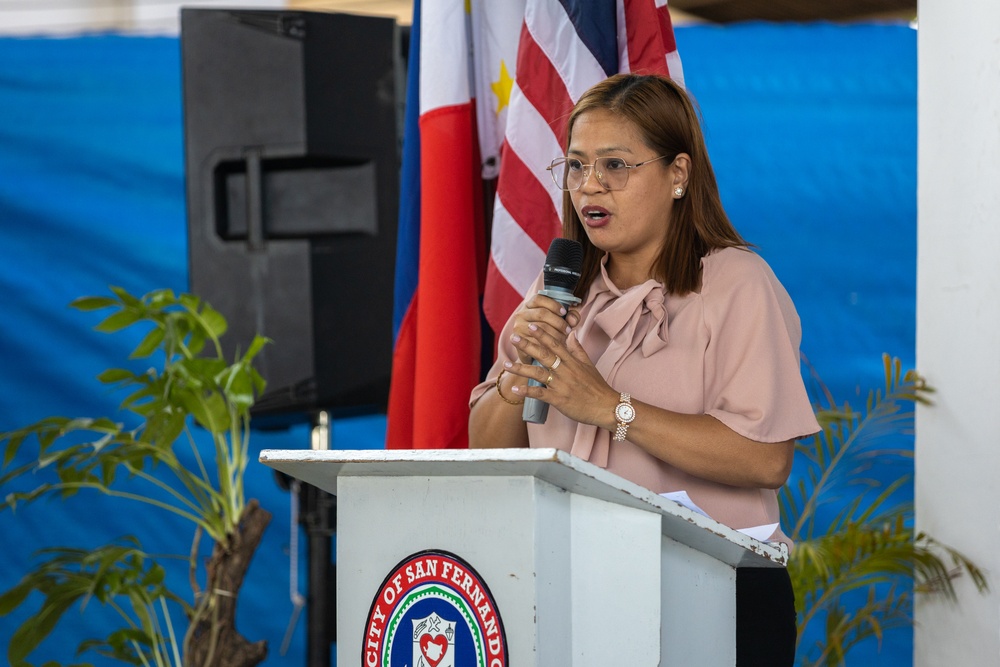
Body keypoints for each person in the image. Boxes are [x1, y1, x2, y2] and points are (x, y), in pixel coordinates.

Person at [468, 72, 820, 665]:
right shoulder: (556, 290)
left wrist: (609, 408)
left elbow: (765, 457)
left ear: (677, 174)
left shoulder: (735, 284)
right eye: (576, 166)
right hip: (568, 585)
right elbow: (485, 453)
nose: (589, 187)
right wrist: (513, 381)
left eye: (615, 165)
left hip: (713, 590)